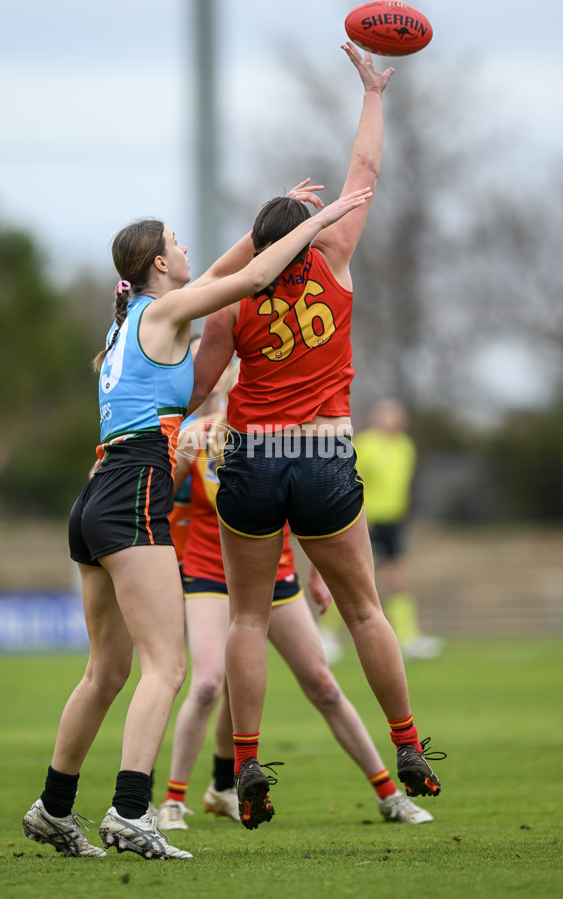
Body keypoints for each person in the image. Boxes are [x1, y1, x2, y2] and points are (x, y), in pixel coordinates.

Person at [21, 185, 374, 860]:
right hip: (135, 491)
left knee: (105, 672)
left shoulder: (131, 321)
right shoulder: (167, 311)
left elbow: (223, 273)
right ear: (158, 265)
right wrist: (321, 222)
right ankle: (130, 813)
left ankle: (53, 808)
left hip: (97, 493)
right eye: (177, 241)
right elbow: (254, 277)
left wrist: (271, 216)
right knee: (167, 668)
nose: (187, 248)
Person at [188, 44, 445, 830]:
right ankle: (405, 744)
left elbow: (199, 389)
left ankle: (249, 755)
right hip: (325, 453)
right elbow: (364, 174)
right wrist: (372, 93)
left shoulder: (235, 302)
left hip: (256, 460)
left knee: (248, 618)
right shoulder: (334, 261)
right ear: (313, 231)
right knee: (367, 612)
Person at [155, 402, 434, 832]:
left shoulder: (290, 434)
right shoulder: (198, 436)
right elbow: (163, 505)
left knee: (323, 686)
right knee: (210, 683)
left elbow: (315, 508)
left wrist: (320, 572)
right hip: (210, 575)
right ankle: (174, 800)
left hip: (279, 577)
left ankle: (389, 794)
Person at [354, 398, 443, 659]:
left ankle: (408, 636)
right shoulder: (365, 444)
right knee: (359, 578)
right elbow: (354, 482)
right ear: (376, 417)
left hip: (396, 521)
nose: (394, 420)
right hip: (369, 521)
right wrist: (362, 519)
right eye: (388, 414)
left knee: (398, 579)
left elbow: (401, 487)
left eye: (397, 415)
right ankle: (325, 632)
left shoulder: (406, 446)